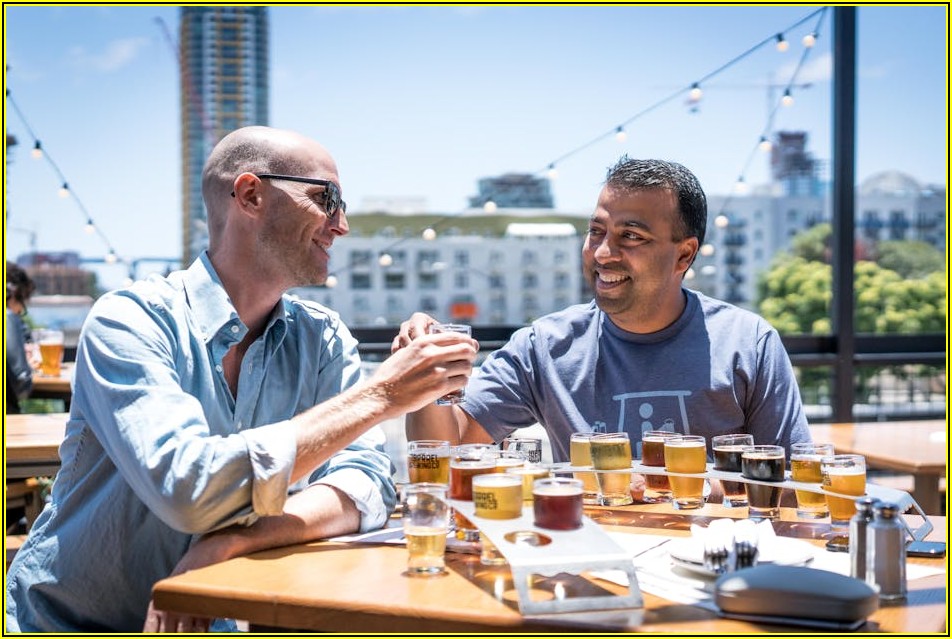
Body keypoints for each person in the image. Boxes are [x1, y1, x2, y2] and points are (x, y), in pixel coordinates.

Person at [5, 126, 478, 632]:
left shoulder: (322, 338)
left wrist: (231, 544)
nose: (341, 225)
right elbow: (187, 488)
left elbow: (366, 485)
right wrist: (380, 394)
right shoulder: (130, 319)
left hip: (227, 618)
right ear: (251, 195)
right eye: (327, 199)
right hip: (72, 622)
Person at [398, 156, 810, 472]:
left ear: (683, 254)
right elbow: (445, 456)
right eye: (597, 231)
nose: (603, 253)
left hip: (708, 568)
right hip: (590, 568)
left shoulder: (747, 343)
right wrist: (425, 377)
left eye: (631, 236)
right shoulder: (546, 347)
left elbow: (793, 482)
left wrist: (672, 488)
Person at [6, 261, 36, 414]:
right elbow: (21, 384)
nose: (21, 310)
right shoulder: (7, 317)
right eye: (22, 300)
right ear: (11, 292)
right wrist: (27, 365)